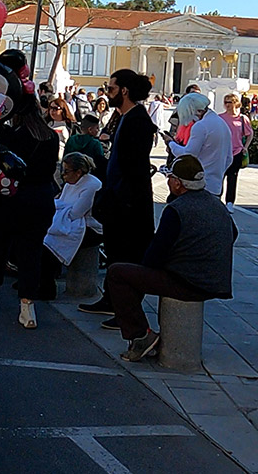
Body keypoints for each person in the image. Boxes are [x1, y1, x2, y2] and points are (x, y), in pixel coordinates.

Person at [107, 155, 236, 361]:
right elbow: (233, 234)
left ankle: (140, 335)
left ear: (177, 183)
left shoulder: (177, 209)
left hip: (187, 281)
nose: (168, 182)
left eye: (170, 178)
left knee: (117, 273)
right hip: (216, 280)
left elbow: (153, 258)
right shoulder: (216, 204)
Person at [0, 75, 61, 329]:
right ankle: (27, 307)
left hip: (11, 198)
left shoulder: (10, 136)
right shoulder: (50, 137)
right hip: (42, 199)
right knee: (31, 252)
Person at [79, 69, 157, 327]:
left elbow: (133, 167)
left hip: (129, 203)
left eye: (111, 88)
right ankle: (111, 299)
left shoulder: (138, 121)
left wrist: (118, 199)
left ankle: (126, 310)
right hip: (119, 198)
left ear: (124, 90)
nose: (107, 93)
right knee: (115, 253)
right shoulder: (124, 117)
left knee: (127, 255)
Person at [42, 153, 103, 299]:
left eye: (66, 171)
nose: (63, 175)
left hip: (90, 228)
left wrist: (62, 209)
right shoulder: (71, 183)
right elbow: (64, 204)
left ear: (78, 172)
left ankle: (47, 288)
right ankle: (39, 281)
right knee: (41, 238)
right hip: (71, 220)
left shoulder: (91, 186)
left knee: (48, 247)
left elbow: (75, 212)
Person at [164, 92, 233, 198]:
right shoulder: (222, 123)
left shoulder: (201, 126)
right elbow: (229, 158)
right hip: (216, 186)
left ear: (198, 111)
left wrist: (170, 143)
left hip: (198, 185)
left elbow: (188, 154)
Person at [218, 93, 253, 212]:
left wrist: (245, 147)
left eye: (230, 102)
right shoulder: (220, 117)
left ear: (236, 103)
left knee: (232, 178)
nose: (227, 105)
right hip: (222, 152)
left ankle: (229, 203)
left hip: (237, 151)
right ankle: (217, 200)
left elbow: (250, 134)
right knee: (219, 176)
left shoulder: (243, 118)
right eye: (226, 102)